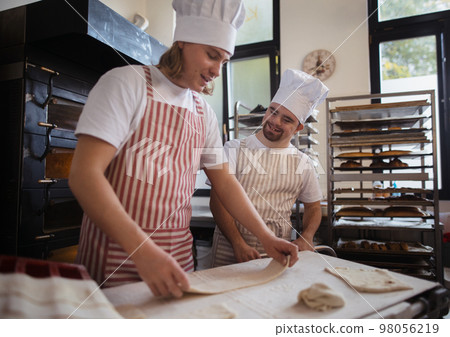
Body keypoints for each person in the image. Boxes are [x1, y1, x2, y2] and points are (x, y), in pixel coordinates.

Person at [69, 0, 298, 299]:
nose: (217, 70)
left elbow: (225, 181)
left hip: (178, 263)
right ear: (183, 42)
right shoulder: (126, 84)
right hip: (115, 262)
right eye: (212, 55)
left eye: (224, 61)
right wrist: (142, 250)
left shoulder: (203, 111)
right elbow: (84, 175)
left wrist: (266, 238)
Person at [209, 69, 329, 267]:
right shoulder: (234, 149)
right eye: (273, 111)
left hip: (277, 250)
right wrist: (238, 243)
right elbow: (218, 201)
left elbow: (314, 207)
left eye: (286, 119)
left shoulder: (302, 162)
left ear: (299, 127)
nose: (275, 121)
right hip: (230, 248)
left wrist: (306, 237)